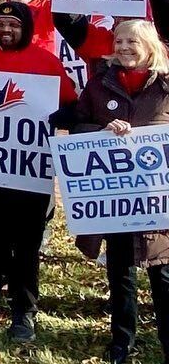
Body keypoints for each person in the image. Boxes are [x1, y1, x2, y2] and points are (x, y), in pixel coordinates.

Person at [0, 2, 78, 343]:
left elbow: (71, 102)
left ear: (26, 28)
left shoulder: (46, 62)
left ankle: (24, 311)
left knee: (26, 245)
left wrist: (63, 116)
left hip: (29, 171)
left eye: (13, 24)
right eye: (0, 23)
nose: (6, 30)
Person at [71, 20, 169, 364]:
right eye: (120, 41)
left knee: (163, 274)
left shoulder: (166, 86)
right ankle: (121, 341)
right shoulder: (100, 83)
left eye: (133, 41)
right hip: (117, 199)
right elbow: (79, 123)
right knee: (122, 274)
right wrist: (102, 130)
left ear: (150, 46)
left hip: (159, 199)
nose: (124, 47)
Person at [53, 0, 166, 62]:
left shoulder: (161, 48)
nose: (125, 48)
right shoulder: (100, 43)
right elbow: (68, 21)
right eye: (121, 12)